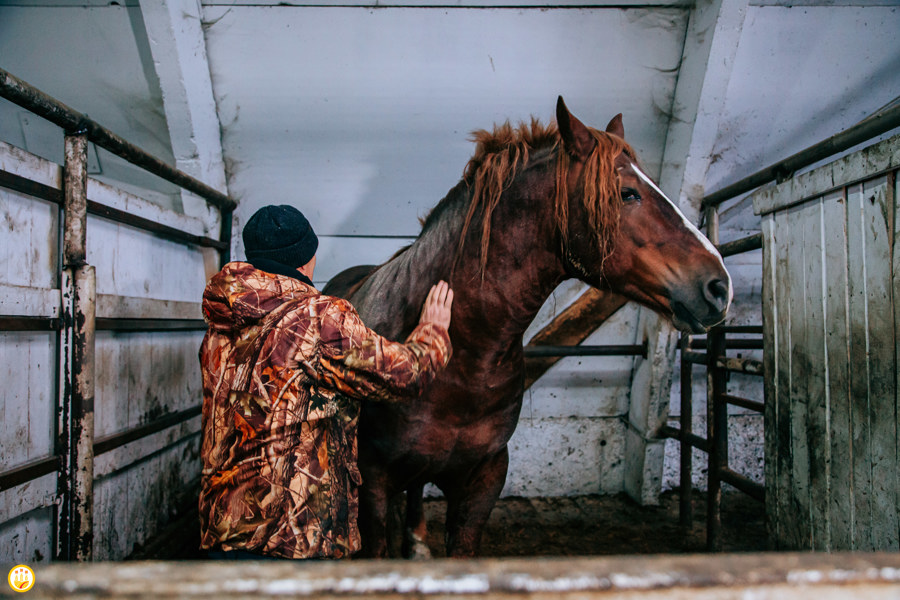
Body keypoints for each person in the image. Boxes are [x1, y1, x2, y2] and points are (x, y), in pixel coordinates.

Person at [198, 204, 453, 560]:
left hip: (225, 526)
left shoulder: (222, 321)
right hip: (292, 538)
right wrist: (433, 333)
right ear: (308, 258)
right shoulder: (319, 318)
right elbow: (404, 376)